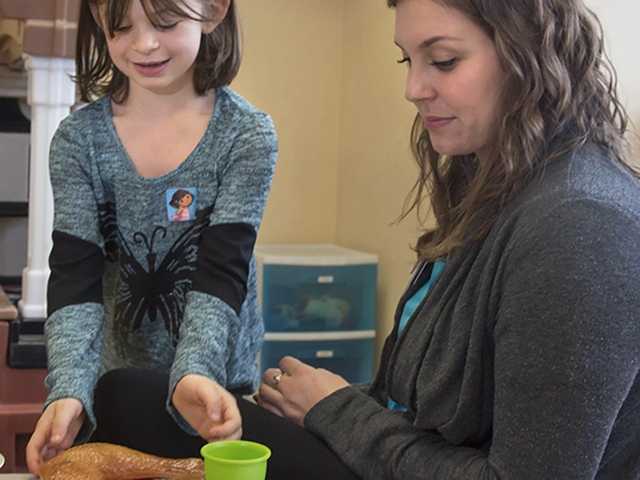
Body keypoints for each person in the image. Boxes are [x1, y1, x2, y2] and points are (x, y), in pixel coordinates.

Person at [78, 0, 640, 479]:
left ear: (530, 53)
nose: (413, 88)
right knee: (123, 396)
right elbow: (421, 403)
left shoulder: (582, 225)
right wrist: (335, 403)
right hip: (386, 446)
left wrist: (337, 410)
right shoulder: (498, 183)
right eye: (408, 60)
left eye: (443, 61)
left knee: (130, 404)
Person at [25, 0, 277, 475]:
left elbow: (222, 272)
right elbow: (74, 281)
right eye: (120, 28)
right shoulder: (78, 141)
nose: (143, 44)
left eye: (165, 22)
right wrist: (68, 390)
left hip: (215, 391)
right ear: (99, 21)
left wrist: (196, 370)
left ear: (214, 9)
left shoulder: (247, 136)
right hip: (115, 390)